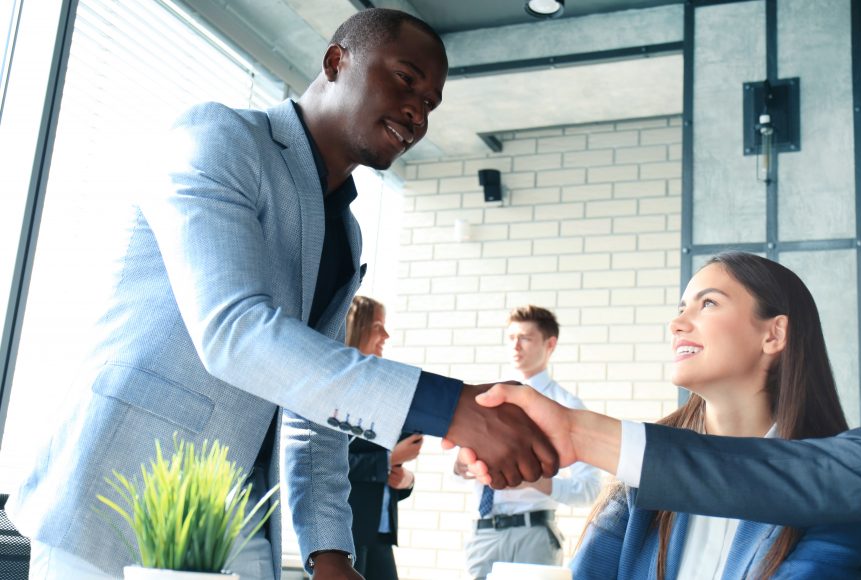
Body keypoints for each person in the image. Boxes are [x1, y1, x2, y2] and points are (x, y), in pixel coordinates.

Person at [8, 9, 556, 580]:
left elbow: (312, 403)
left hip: (235, 525)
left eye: (431, 102)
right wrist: (450, 408)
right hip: (114, 505)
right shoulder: (219, 138)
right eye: (405, 79)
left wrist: (329, 553)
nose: (418, 111)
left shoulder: (346, 231)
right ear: (336, 60)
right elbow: (234, 333)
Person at [460, 99, 861, 580]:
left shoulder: (837, 491)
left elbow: (817, 479)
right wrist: (581, 435)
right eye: (681, 306)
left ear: (775, 334)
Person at [571, 253, 861, 579]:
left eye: (708, 304)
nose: (676, 324)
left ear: (774, 335)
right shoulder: (642, 470)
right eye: (681, 309)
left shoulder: (840, 483)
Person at [455, 306, 601, 580]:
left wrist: (534, 480)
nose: (515, 346)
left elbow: (590, 489)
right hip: (483, 537)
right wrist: (462, 466)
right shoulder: (486, 398)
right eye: (510, 337)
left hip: (533, 537)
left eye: (525, 338)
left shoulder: (567, 408)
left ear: (550, 344)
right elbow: (455, 475)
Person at [343, 296, 420, 580]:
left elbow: (392, 469)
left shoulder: (380, 390)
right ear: (357, 327)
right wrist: (389, 459)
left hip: (380, 532)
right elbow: (331, 463)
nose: (386, 335)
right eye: (378, 326)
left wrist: (407, 480)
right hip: (349, 533)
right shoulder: (337, 390)